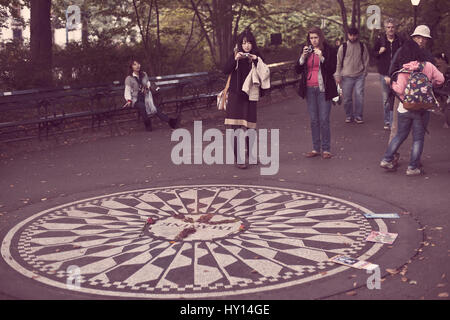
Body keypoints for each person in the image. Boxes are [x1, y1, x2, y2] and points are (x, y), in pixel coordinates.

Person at [380, 33, 444, 176]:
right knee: (418, 138)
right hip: (422, 108)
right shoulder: (428, 66)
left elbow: (400, 89)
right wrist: (429, 84)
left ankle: (387, 159)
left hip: (405, 107)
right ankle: (412, 167)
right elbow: (441, 79)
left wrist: (391, 83)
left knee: (400, 135)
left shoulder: (404, 69)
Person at [223, 29, 267, 169]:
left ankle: (252, 155)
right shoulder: (235, 55)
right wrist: (235, 59)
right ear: (240, 44)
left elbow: (265, 72)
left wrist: (256, 60)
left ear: (252, 44)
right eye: (243, 43)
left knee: (251, 127)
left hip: (250, 96)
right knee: (235, 127)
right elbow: (225, 70)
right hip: (236, 95)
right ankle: (239, 159)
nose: (246, 46)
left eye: (249, 43)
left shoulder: (256, 56)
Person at [295, 27, 338, 159]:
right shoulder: (306, 50)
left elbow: (332, 69)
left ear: (320, 37)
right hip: (309, 88)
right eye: (311, 38)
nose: (313, 40)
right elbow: (297, 69)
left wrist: (322, 57)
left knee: (324, 119)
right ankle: (315, 148)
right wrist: (303, 56)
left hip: (323, 89)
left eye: (316, 37)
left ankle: (326, 149)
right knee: (314, 120)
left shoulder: (329, 50)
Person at [124, 60, 179, 131]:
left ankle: (171, 122)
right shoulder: (129, 78)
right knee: (142, 106)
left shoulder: (144, 74)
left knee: (155, 109)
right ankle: (148, 124)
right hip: (135, 99)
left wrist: (148, 87)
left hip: (146, 97)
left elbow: (147, 83)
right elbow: (127, 90)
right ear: (131, 67)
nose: (137, 66)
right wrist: (129, 100)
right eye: (134, 64)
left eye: (138, 64)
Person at [334, 27, 370, 124]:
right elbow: (338, 62)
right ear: (348, 35)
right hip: (346, 76)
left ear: (357, 35)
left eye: (354, 35)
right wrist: (337, 75)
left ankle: (358, 116)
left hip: (359, 75)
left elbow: (366, 59)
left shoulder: (362, 46)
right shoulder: (343, 47)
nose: (353, 37)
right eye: (351, 35)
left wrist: (364, 71)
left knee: (359, 96)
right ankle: (349, 115)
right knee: (347, 98)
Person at [373, 18, 403, 130]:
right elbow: (373, 54)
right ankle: (387, 121)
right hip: (384, 73)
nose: (390, 29)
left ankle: (394, 120)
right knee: (386, 98)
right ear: (385, 29)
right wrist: (379, 52)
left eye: (392, 27)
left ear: (395, 28)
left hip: (397, 73)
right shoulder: (380, 40)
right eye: (388, 27)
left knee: (397, 97)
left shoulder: (400, 40)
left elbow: (405, 54)